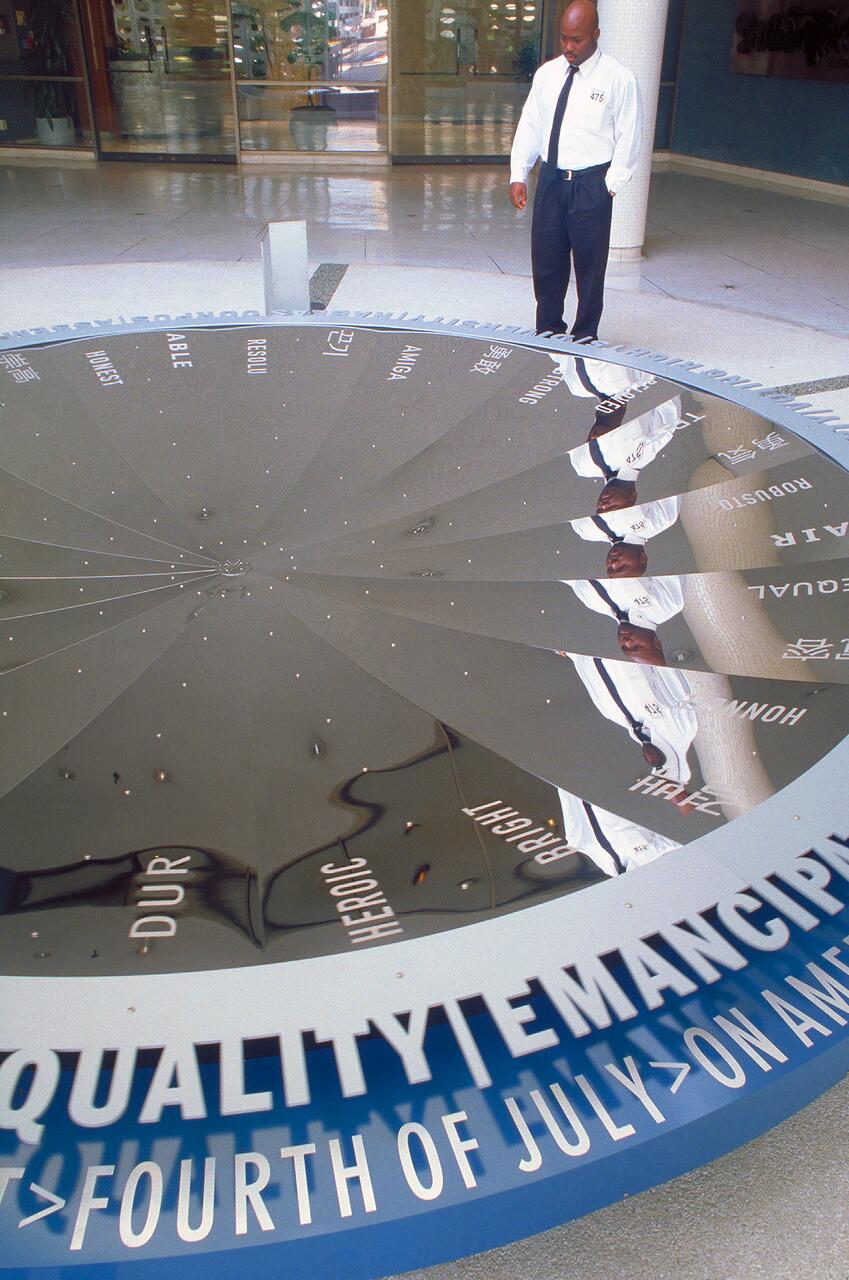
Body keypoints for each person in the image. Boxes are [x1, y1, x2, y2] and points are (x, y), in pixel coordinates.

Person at [509, 0, 642, 339]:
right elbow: (531, 125)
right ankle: (549, 328)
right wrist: (519, 174)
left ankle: (585, 335)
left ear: (596, 35)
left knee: (589, 266)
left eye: (577, 39)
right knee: (547, 260)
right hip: (552, 180)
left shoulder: (618, 79)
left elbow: (630, 135)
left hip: (590, 184)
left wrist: (609, 185)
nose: (568, 46)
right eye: (564, 38)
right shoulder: (547, 75)